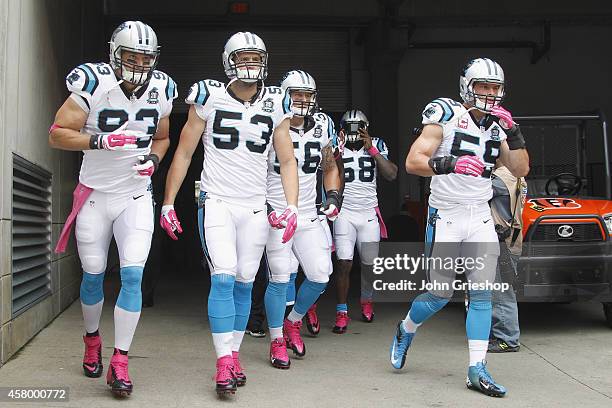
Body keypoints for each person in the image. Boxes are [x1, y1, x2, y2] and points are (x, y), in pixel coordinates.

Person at [160, 32, 298, 395]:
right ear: (228, 61)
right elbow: (184, 153)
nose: (250, 63)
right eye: (243, 57)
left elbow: (286, 159)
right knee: (222, 277)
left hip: (254, 205)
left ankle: (233, 354)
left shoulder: (276, 102)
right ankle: (222, 362)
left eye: (256, 56)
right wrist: (169, 201)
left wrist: (293, 205)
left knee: (244, 283)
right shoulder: (209, 95)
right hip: (217, 200)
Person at [49, 21, 176, 397]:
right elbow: (56, 133)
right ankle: (92, 339)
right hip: (95, 195)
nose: (139, 63)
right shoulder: (93, 83)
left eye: (145, 57)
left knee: (133, 276)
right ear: (114, 54)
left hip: (135, 195)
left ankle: (120, 360)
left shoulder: (162, 88)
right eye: (131, 55)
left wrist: (154, 159)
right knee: (93, 275)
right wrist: (100, 140)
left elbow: (164, 137)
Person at [390, 57, 529, 398]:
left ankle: (476, 369)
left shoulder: (499, 124)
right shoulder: (446, 114)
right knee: (440, 294)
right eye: (484, 86)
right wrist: (449, 162)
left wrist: (513, 132)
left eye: (495, 87)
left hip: (480, 215)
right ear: (467, 86)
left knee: (483, 293)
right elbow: (412, 161)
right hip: (447, 215)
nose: (490, 93)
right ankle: (406, 328)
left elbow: (520, 168)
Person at [265, 70, 342, 368]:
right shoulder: (271, 123)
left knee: (321, 273)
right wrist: (263, 206)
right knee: (280, 276)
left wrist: (333, 196)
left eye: (307, 95)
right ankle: (275, 340)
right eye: (296, 94)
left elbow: (331, 165)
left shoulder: (323, 126)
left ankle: (293, 321)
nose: (303, 100)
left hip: (309, 212)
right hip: (278, 210)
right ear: (284, 95)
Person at [332, 110, 398, 333]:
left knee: (370, 265)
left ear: (366, 127)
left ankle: (367, 301)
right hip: (345, 212)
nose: (354, 132)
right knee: (343, 263)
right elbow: (324, 171)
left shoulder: (377, 143)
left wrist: (371, 148)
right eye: (349, 127)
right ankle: (342, 311)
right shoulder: (335, 143)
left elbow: (391, 174)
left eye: (358, 126)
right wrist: (336, 150)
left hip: (369, 212)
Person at [489, 166, 527, 352]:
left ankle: (508, 340)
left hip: (501, 242)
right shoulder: (517, 176)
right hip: (512, 238)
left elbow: (474, 193)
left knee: (501, 292)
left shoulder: (501, 178)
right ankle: (499, 335)